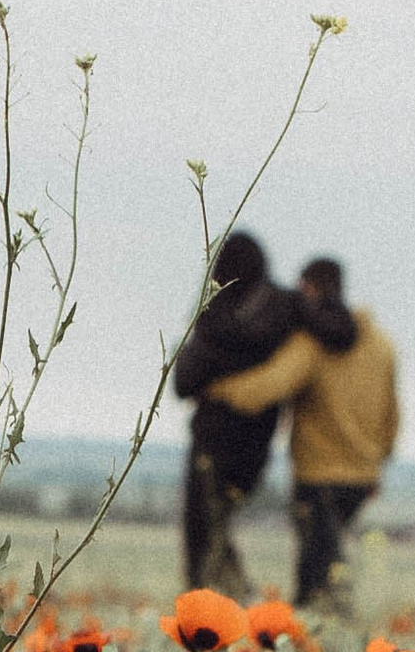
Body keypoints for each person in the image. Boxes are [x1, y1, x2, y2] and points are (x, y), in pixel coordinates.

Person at [209, 258, 400, 608]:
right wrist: (377, 464)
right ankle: (322, 623)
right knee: (327, 561)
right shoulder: (382, 346)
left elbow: (269, 387)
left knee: (316, 577)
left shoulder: (313, 344)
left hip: (318, 475)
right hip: (362, 477)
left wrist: (215, 389)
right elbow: (392, 415)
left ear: (309, 289)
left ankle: (317, 628)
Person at [170, 231, 305, 590]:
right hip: (257, 442)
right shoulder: (286, 308)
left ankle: (215, 599)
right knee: (215, 525)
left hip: (213, 437)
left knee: (203, 529)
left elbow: (183, 381)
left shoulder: (213, 316)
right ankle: (232, 596)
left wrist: (215, 372)